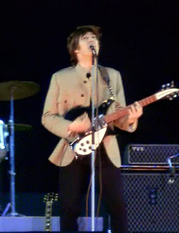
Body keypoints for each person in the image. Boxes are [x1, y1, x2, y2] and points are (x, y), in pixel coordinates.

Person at [41, 25, 143, 232]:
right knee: (69, 207)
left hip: (105, 147)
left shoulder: (111, 75)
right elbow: (47, 117)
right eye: (86, 37)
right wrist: (71, 125)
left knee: (117, 206)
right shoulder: (59, 77)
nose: (92, 40)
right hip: (73, 149)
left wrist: (131, 119)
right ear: (75, 48)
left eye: (94, 38)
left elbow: (119, 113)